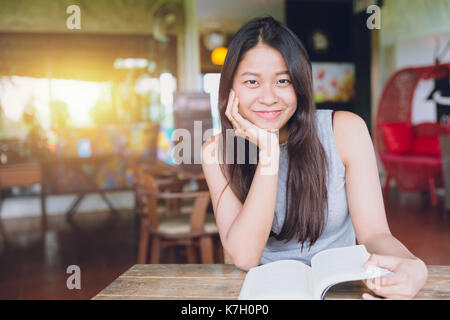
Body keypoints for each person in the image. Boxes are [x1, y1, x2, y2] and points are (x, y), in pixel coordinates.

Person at [200, 16, 427, 300]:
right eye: (252, 81)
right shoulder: (217, 151)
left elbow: (374, 235)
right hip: (265, 295)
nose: (268, 97)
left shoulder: (344, 130)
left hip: (340, 290)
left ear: (300, 84)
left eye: (283, 80)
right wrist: (268, 154)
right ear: (231, 88)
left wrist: (415, 267)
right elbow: (245, 256)